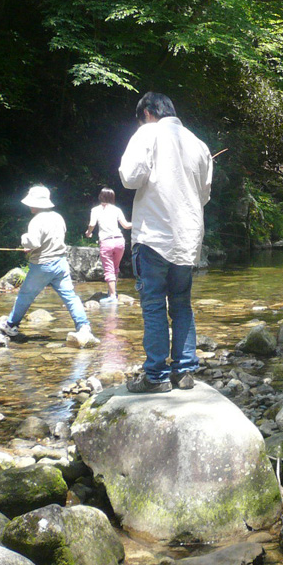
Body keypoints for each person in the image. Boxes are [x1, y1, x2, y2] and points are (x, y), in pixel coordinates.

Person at [119, 91, 213, 393]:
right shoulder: (198, 143)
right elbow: (205, 195)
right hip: (187, 239)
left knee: (154, 305)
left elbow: (129, 177)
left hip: (153, 236)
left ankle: (156, 377)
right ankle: (184, 372)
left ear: (148, 113)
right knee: (182, 304)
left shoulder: (147, 132)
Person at [0, 186, 98, 348]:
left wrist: (24, 239)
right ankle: (83, 326)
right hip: (61, 263)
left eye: (31, 203)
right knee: (70, 297)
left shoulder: (37, 220)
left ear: (37, 204)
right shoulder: (58, 217)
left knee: (25, 295)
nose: (29, 206)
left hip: (43, 265)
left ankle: (11, 326)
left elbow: (34, 242)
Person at [84, 187, 132, 304]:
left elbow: (91, 224)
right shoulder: (117, 209)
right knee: (115, 268)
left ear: (101, 196)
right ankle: (112, 292)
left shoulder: (96, 210)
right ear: (112, 197)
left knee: (109, 270)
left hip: (106, 242)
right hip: (119, 241)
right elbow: (125, 225)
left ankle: (112, 296)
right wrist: (139, 223)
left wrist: (88, 233)